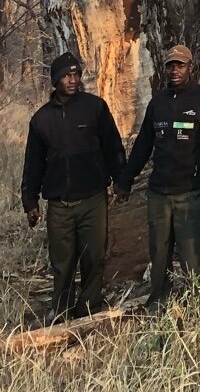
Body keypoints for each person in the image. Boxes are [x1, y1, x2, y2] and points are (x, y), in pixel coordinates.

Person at [112, 43, 200, 309]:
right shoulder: (158, 103)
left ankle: (198, 305)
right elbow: (143, 145)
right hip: (159, 194)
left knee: (193, 254)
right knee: (159, 252)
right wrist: (125, 180)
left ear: (191, 67)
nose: (175, 70)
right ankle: (158, 303)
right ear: (165, 69)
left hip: (191, 192)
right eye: (170, 65)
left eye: (180, 65)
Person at [20, 51, 126, 322]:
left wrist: (121, 181)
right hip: (59, 204)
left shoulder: (95, 108)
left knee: (94, 256)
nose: (73, 79)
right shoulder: (41, 119)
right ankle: (63, 310)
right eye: (67, 75)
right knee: (62, 262)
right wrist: (30, 202)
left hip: (93, 198)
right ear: (55, 80)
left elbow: (113, 148)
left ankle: (89, 307)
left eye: (76, 74)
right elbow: (33, 164)